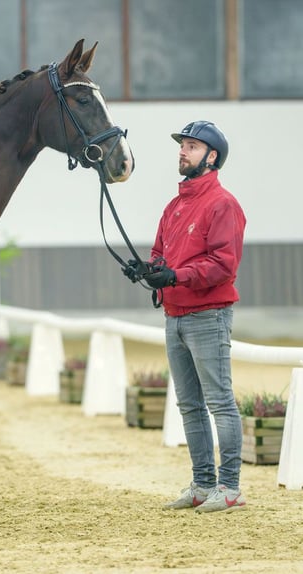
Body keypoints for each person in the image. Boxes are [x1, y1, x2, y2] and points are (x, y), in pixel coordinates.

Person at [123, 121, 247, 513]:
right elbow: (162, 253)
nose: (182, 151)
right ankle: (202, 483)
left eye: (191, 147)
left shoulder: (222, 204)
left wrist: (176, 276)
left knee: (220, 403)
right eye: (183, 146)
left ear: (211, 157)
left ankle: (229, 487)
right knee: (189, 406)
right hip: (176, 316)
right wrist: (147, 269)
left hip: (208, 316)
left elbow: (223, 266)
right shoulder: (175, 206)